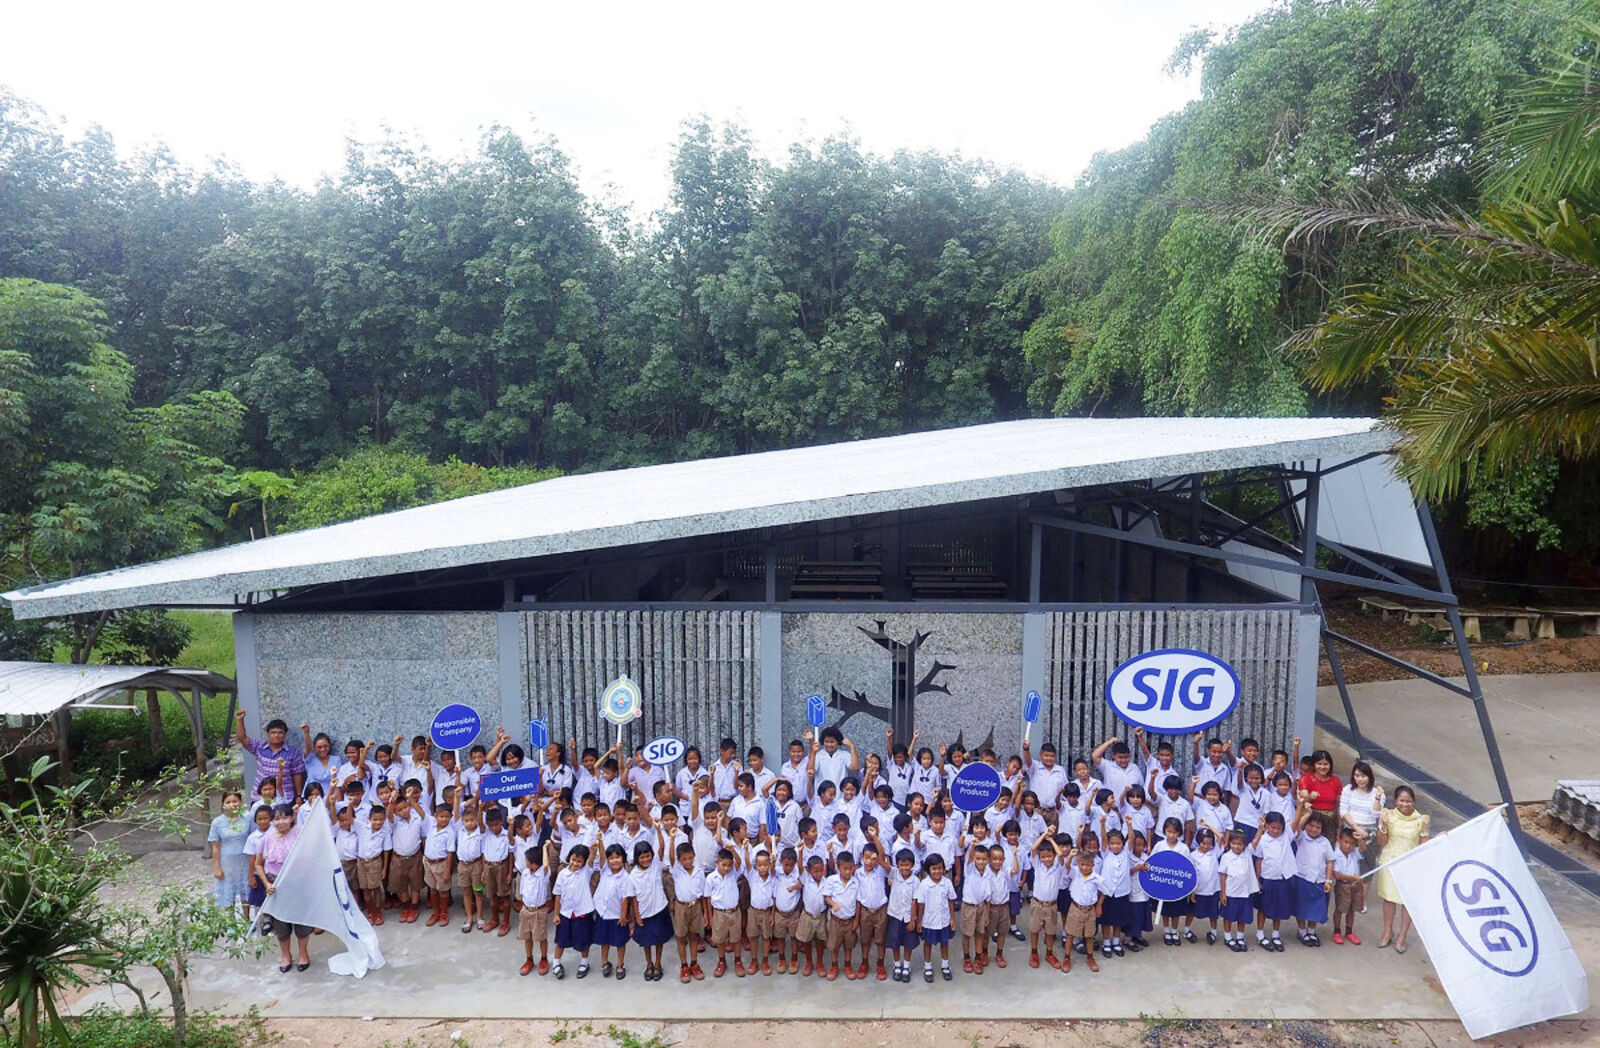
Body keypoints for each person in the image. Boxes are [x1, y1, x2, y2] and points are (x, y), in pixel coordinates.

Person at [1375, 785, 1430, 953]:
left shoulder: (1421, 820)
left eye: (1409, 801)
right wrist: (1383, 826)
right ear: (1396, 801)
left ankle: (1402, 936)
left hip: (1411, 865)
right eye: (1402, 800)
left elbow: (1425, 843)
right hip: (1390, 862)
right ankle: (1387, 931)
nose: (1405, 804)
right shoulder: (1388, 815)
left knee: (1407, 902)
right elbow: (1381, 841)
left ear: (1414, 801)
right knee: (1389, 899)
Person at [257, 804, 312, 973]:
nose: (280, 822)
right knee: (280, 924)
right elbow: (259, 864)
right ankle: (286, 955)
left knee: (301, 923)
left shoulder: (301, 833)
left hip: (298, 883)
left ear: (291, 819)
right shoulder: (266, 839)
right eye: (277, 818)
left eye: (284, 818)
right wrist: (267, 884)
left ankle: (303, 954)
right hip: (276, 885)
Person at [235, 711, 306, 800]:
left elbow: (297, 774)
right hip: (261, 797)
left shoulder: (293, 752)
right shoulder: (259, 747)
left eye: (280, 732)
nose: (276, 735)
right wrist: (240, 720)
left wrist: (299, 796)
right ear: (268, 734)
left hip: (284, 797)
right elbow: (242, 738)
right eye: (273, 732)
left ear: (285, 734)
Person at [552, 844, 597, 979]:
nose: (575, 863)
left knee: (584, 940)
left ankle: (584, 963)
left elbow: (592, 859)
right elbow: (558, 895)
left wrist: (594, 848)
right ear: (569, 858)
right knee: (561, 940)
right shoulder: (562, 874)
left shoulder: (585, 872)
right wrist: (556, 914)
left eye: (579, 861)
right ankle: (556, 963)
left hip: (582, 913)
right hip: (565, 913)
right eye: (573, 859)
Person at [911, 854, 956, 983]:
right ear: (928, 870)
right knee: (928, 943)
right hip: (929, 921)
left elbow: (951, 901)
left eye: (940, 868)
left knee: (944, 943)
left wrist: (952, 919)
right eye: (934, 869)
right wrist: (919, 921)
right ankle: (928, 966)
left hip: (944, 920)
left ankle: (945, 965)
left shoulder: (947, 883)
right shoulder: (924, 884)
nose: (937, 871)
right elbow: (921, 904)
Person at [517, 840, 555, 975]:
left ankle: (544, 959)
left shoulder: (542, 875)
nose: (525, 861)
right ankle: (529, 959)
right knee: (527, 936)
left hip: (539, 911)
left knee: (541, 936)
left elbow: (545, 864)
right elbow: (522, 892)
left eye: (527, 859)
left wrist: (545, 848)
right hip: (526, 909)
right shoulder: (526, 873)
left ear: (534, 863)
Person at [208, 790, 250, 911]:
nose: (232, 804)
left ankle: (246, 920)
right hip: (227, 863)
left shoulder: (247, 818)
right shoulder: (217, 822)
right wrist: (217, 867)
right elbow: (215, 846)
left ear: (241, 802)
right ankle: (232, 924)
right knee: (228, 893)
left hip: (245, 861)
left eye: (235, 801)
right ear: (223, 804)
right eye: (228, 802)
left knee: (245, 891)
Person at [1062, 848, 1101, 973]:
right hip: (1075, 908)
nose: (1085, 868)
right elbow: (1066, 866)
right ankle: (1067, 958)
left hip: (1090, 910)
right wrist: (1071, 856)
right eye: (1082, 864)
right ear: (1078, 864)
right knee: (1070, 934)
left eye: (1088, 865)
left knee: (1089, 936)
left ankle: (1090, 957)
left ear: (1093, 865)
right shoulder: (1075, 873)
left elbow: (1105, 890)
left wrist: (1099, 905)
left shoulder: (1096, 878)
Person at [1339, 760, 1384, 869]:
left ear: (1369, 777)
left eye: (1363, 776)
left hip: (1369, 832)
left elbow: (1376, 814)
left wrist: (1378, 797)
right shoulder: (1348, 789)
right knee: (1346, 864)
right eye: (1357, 775)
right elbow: (1343, 811)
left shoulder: (1377, 792)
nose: (1360, 779)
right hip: (1350, 829)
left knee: (1367, 867)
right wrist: (1356, 827)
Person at [1330, 827, 1366, 946]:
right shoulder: (1335, 854)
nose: (1348, 846)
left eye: (1351, 844)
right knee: (1340, 909)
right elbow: (1337, 874)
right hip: (1343, 885)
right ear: (1340, 840)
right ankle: (1337, 931)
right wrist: (1353, 878)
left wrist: (1360, 839)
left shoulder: (1354, 852)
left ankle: (1349, 931)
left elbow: (1363, 848)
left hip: (1355, 885)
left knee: (1352, 909)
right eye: (1346, 842)